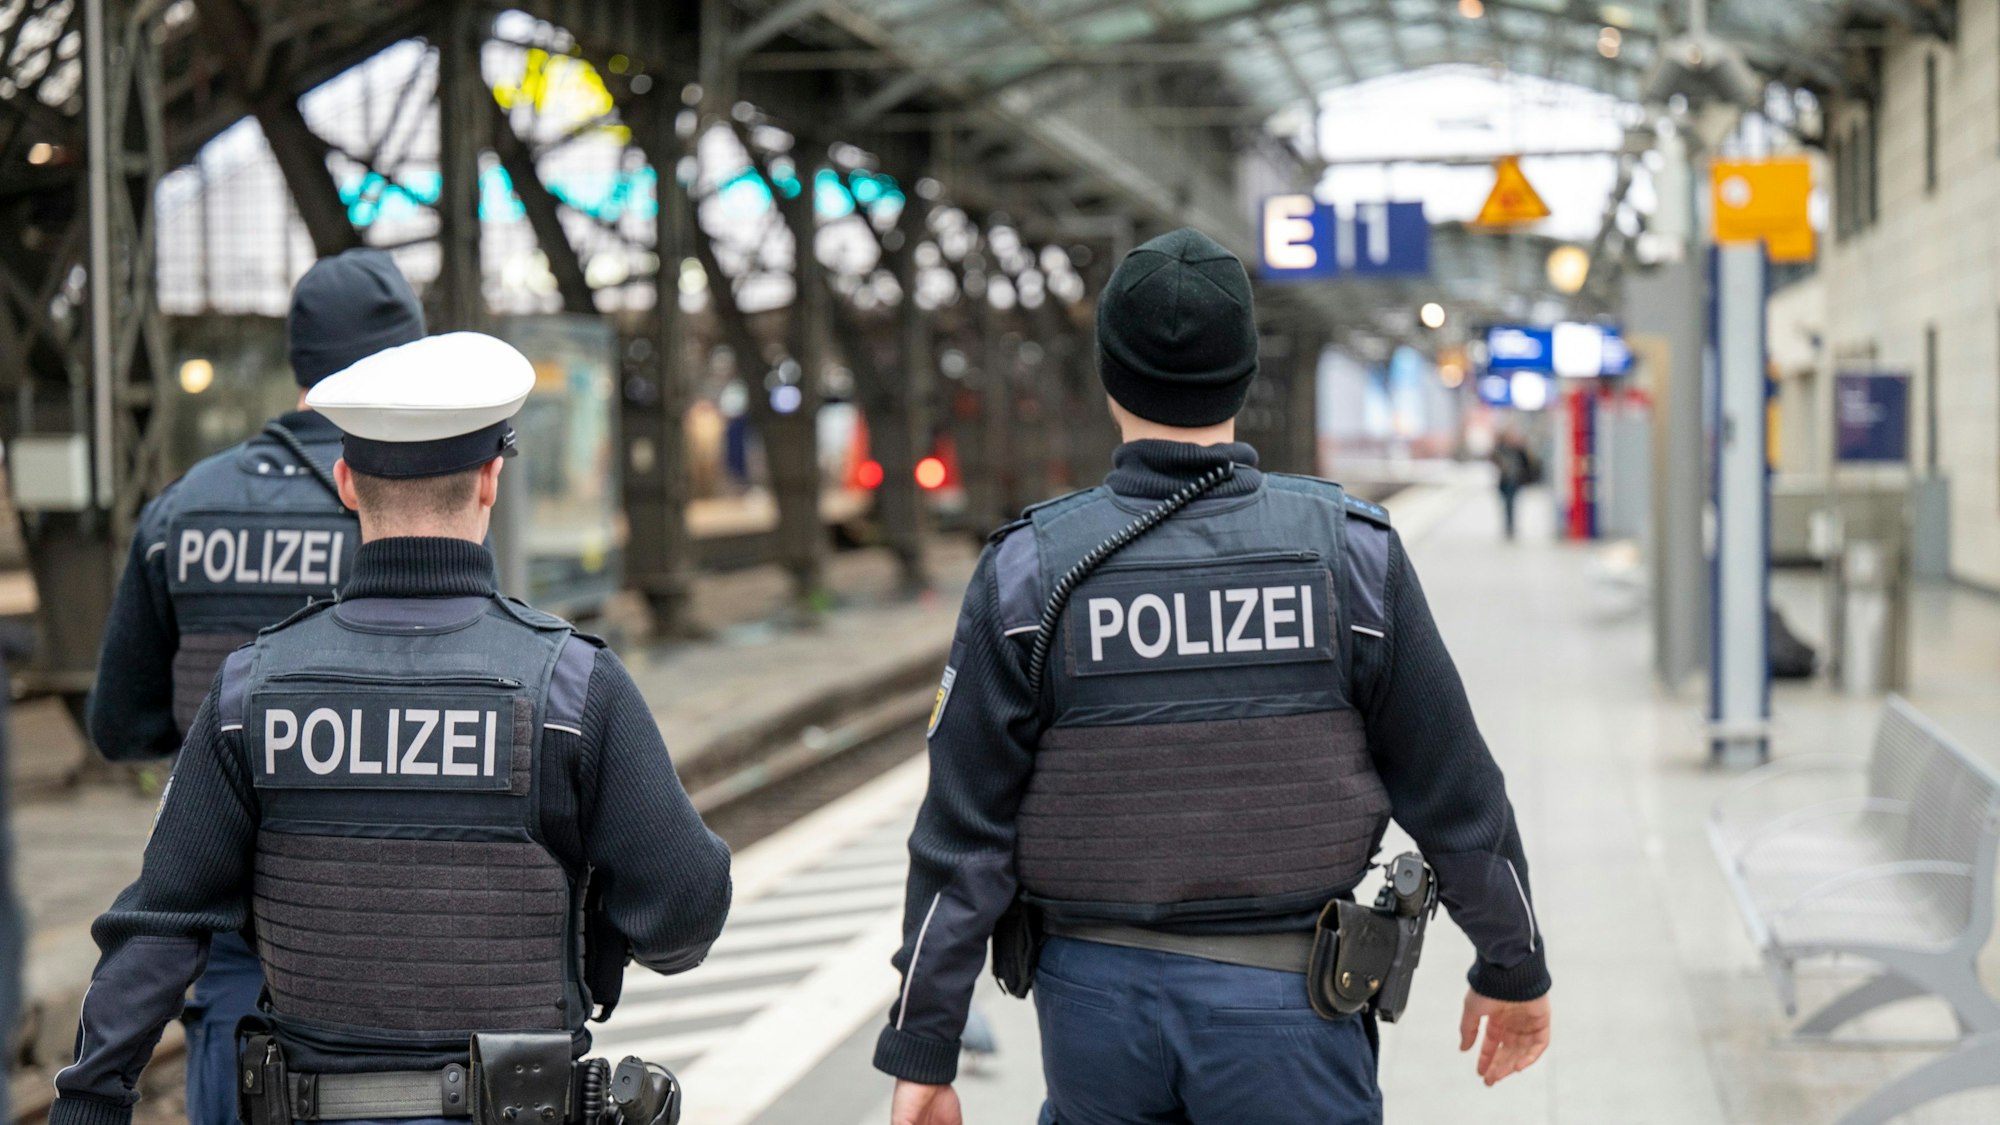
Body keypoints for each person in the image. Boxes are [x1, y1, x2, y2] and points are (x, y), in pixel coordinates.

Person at [875, 229, 1551, 1125]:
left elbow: (962, 838)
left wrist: (925, 1042)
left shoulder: (1028, 575)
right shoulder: (1350, 559)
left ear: (1110, 377)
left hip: (1092, 1018)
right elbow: (1459, 796)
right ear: (1246, 373)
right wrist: (1514, 965)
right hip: (1291, 1013)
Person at [51, 333, 732, 1125]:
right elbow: (684, 913)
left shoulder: (251, 689)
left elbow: (158, 928)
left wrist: (90, 1101)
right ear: (490, 478)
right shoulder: (573, 689)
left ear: (346, 482)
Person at [85, 247, 427, 1125]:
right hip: (381, 933)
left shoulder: (183, 509)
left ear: (299, 361)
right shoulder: (408, 507)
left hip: (228, 931)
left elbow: (120, 723)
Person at [1491, 429, 1534, 541]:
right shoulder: (1501, 449)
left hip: (1515, 481)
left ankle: (1511, 526)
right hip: (1504, 481)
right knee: (1506, 504)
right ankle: (1508, 526)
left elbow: (1527, 463)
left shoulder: (1519, 450)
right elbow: (1493, 457)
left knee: (1511, 504)